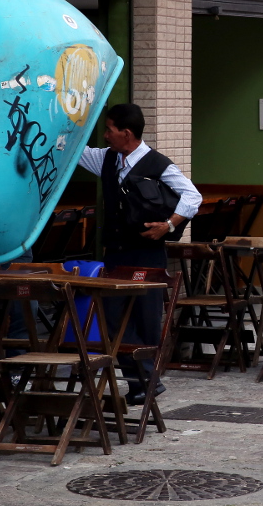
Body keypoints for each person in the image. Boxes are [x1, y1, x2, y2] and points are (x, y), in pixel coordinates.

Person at [79, 103, 202, 404]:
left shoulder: (158, 164)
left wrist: (169, 225)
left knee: (146, 319)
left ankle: (142, 384)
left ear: (126, 133)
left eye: (109, 129)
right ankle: (144, 380)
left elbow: (193, 196)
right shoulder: (106, 159)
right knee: (111, 317)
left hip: (147, 255)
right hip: (116, 254)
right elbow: (75, 151)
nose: (105, 135)